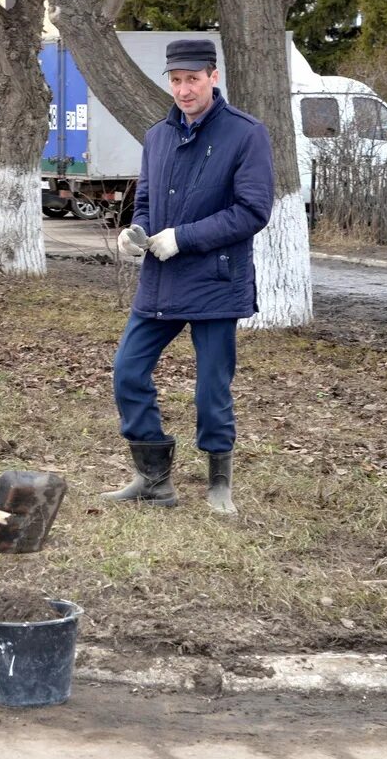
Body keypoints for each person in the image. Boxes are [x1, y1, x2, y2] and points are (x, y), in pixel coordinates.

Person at [102, 38, 273, 513]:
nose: (183, 90)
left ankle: (219, 483)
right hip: (160, 280)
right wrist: (135, 232)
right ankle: (154, 479)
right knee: (128, 372)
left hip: (216, 280)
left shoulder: (246, 133)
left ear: (213, 77)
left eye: (192, 79)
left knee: (211, 388)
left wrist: (183, 238)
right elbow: (147, 202)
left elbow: (252, 211)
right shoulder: (158, 135)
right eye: (175, 81)